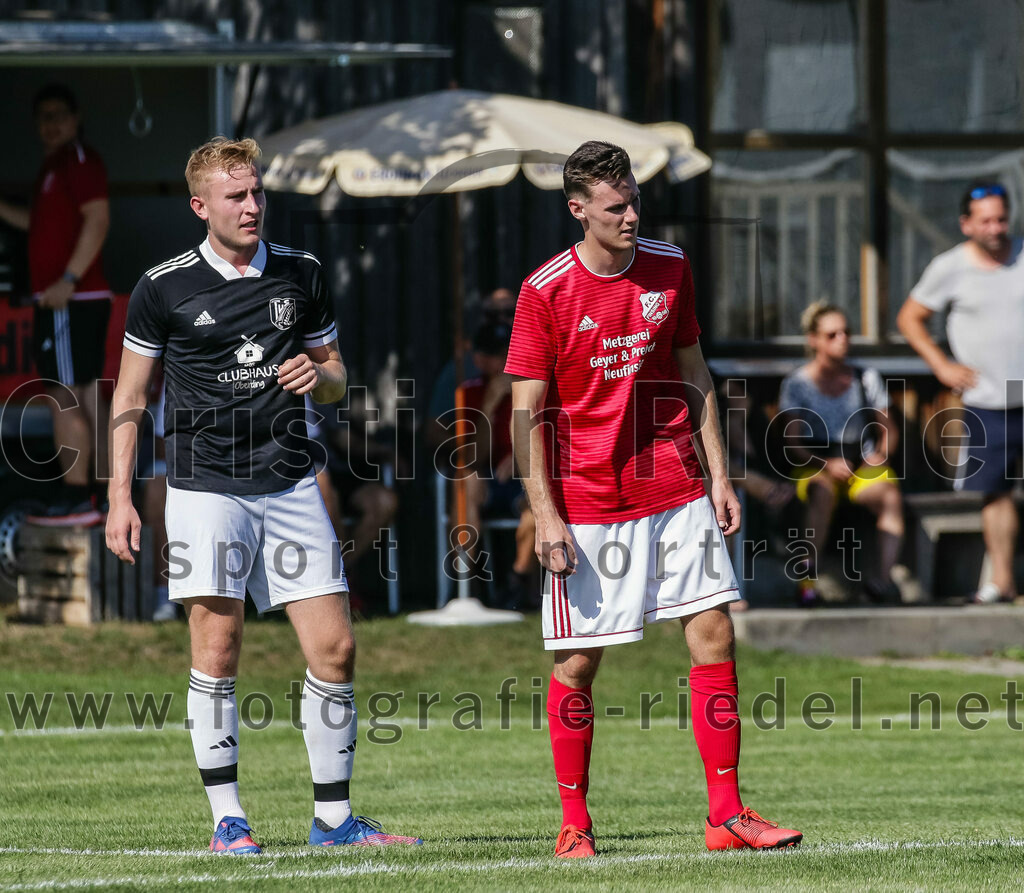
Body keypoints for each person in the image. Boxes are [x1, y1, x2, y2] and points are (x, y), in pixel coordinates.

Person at [105, 137, 421, 853]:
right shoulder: (163, 286)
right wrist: (120, 497)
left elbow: (337, 371)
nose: (252, 207)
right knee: (217, 648)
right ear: (201, 206)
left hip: (291, 479)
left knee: (335, 649)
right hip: (203, 484)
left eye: (257, 194)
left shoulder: (301, 273)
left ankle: (335, 821)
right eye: (236, 196)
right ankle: (229, 820)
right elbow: (129, 394)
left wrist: (323, 376)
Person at [505, 140, 801, 858]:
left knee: (715, 632)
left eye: (635, 199)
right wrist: (545, 513)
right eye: (616, 206)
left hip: (674, 485)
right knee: (579, 663)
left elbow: (694, 368)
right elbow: (524, 414)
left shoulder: (670, 266)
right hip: (587, 502)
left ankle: (726, 814)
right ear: (579, 211)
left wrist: (720, 473)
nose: (631, 213)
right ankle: (574, 823)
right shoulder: (545, 289)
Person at [898, 181, 1024, 605]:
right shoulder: (949, 267)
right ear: (966, 224)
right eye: (986, 220)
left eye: (1001, 218)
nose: (996, 228)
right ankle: (1002, 582)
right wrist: (942, 365)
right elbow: (911, 318)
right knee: (996, 493)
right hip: (987, 400)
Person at [0, 83, 112, 523]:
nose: (50, 125)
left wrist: (68, 278)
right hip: (71, 297)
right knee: (84, 394)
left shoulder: (78, 160)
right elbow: (38, 223)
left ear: (76, 117)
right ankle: (104, 498)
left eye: (58, 116)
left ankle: (78, 498)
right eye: (43, 117)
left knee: (63, 397)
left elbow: (99, 218)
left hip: (71, 298)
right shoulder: (55, 167)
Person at [778, 302, 904, 606]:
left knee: (890, 497)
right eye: (832, 334)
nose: (842, 340)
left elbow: (890, 430)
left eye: (846, 333)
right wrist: (826, 464)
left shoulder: (866, 377)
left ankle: (881, 583)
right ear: (814, 340)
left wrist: (881, 454)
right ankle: (807, 583)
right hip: (816, 464)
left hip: (860, 463)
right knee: (822, 492)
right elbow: (793, 444)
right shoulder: (797, 383)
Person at [461, 319, 538, 609]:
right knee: (464, 486)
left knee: (535, 507)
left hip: (527, 476)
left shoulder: (533, 387)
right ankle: (468, 590)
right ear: (479, 359)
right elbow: (471, 457)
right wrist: (492, 401)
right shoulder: (469, 391)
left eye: (509, 351)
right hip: (488, 478)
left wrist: (520, 457)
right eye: (497, 354)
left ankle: (515, 586)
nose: (505, 360)